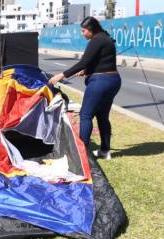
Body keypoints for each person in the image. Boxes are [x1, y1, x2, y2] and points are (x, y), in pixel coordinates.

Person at [48, 16, 121, 160]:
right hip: (113, 80)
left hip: (100, 82)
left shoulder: (96, 40)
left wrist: (61, 75)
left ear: (91, 30)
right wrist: (87, 71)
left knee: (86, 115)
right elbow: (102, 61)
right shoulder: (105, 38)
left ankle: (82, 154)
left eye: (83, 31)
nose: (82, 34)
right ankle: (105, 151)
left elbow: (84, 62)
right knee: (102, 116)